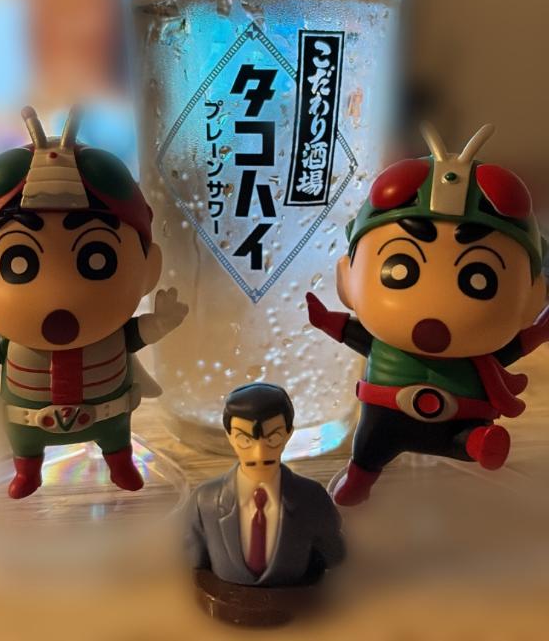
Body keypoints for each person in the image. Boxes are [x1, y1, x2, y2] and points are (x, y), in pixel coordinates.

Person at [308, 122, 549, 506]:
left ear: (532, 298)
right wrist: (325, 320)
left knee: (465, 441)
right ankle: (360, 477)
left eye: (479, 279)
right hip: (385, 415)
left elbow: (515, 347)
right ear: (347, 279)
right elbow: (353, 333)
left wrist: (539, 331)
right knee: (369, 447)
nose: (437, 308)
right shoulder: (384, 344)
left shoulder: (482, 353)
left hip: (461, 418)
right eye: (400, 270)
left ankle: (476, 443)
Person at [0, 106, 188, 498]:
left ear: (149, 269)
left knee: (115, 438)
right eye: (18, 262)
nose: (58, 295)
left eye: (96, 259)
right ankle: (27, 472)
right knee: (25, 445)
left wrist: (161, 322)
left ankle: (120, 464)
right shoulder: (10, 343)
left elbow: (137, 334)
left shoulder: (114, 334)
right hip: (27, 419)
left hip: (108, 414)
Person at [186, 382, 344, 590]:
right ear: (229, 436)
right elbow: (194, 557)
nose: (259, 453)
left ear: (288, 434)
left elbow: (334, 554)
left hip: (295, 599)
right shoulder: (205, 501)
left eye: (273, 438)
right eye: (244, 439)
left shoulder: (312, 499)